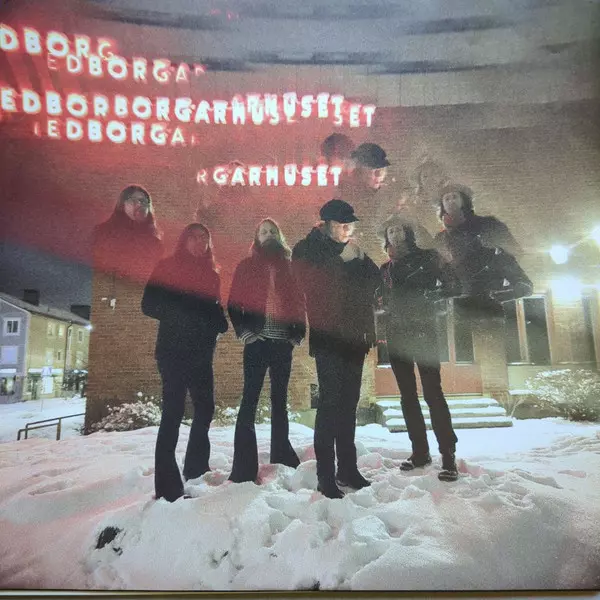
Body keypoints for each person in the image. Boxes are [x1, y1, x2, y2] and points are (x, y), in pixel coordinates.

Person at [292, 200, 381, 499]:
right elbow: (306, 283)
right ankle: (325, 476)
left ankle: (348, 469)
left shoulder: (354, 251)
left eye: (350, 225)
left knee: (348, 405)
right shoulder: (307, 249)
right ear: (327, 224)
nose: (348, 230)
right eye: (343, 225)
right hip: (329, 338)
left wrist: (357, 258)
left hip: (355, 338)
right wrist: (341, 259)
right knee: (330, 405)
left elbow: (375, 282)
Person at [141, 223, 228, 502]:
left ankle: (195, 466)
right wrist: (184, 315)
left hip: (201, 353)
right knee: (173, 413)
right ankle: (167, 486)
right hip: (173, 351)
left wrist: (219, 322)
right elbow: (148, 304)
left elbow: (213, 309)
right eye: (194, 237)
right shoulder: (167, 267)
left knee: (205, 408)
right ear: (184, 240)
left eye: (205, 238)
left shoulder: (211, 275)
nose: (200, 242)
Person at [377, 215, 459, 481]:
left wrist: (431, 297)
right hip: (397, 336)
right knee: (407, 396)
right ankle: (420, 452)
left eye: (399, 229)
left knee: (433, 393)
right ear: (386, 238)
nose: (395, 234)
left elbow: (453, 284)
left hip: (424, 332)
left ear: (407, 233)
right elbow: (379, 299)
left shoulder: (428, 258)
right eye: (390, 231)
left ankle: (448, 455)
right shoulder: (385, 270)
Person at [228, 219, 306, 484]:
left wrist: (297, 333)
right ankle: (243, 466)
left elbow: (299, 302)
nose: (268, 235)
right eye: (264, 232)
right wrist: (244, 333)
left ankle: (281, 454)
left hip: (282, 343)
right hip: (257, 342)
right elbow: (233, 302)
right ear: (257, 238)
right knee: (249, 400)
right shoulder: (246, 266)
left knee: (279, 400)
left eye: (273, 231)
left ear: (279, 236)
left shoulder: (289, 268)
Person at [93, 184, 163, 284]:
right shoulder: (103, 232)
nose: (139, 205)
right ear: (123, 204)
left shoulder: (155, 244)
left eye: (143, 201)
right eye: (134, 201)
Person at [435, 183, 522, 259]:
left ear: (464, 201)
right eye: (447, 199)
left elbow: (514, 252)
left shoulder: (489, 224)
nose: (451, 201)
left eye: (455, 197)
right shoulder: (441, 239)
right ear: (443, 206)